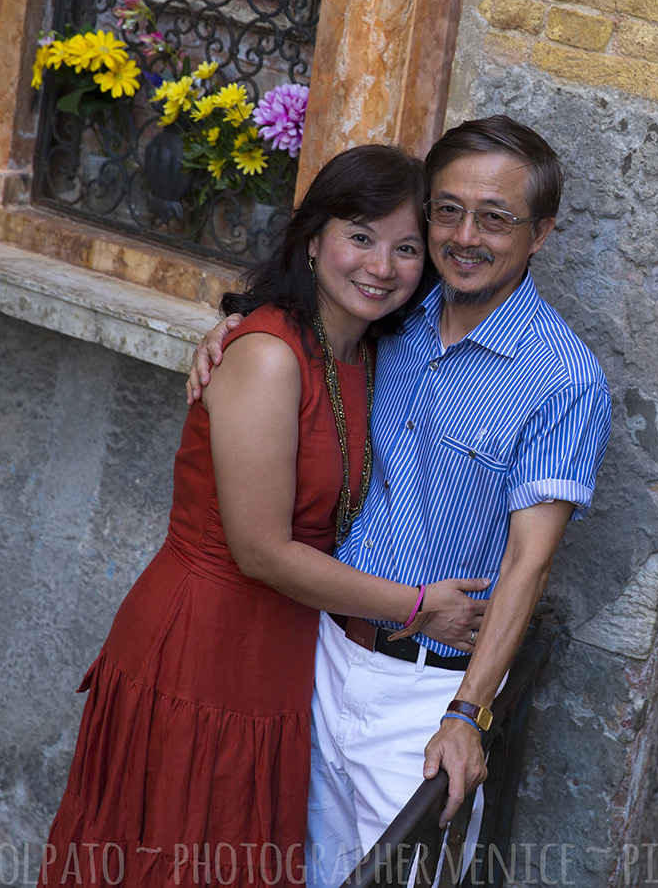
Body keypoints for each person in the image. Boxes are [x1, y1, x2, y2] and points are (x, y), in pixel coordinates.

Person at [41, 145, 491, 888]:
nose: (381, 265)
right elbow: (260, 550)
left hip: (281, 655)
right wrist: (417, 607)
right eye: (360, 235)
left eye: (407, 247)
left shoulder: (372, 350)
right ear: (313, 238)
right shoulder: (270, 355)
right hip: (202, 641)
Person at [188, 116, 611, 885]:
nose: (465, 236)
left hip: (426, 693)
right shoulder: (396, 315)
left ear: (540, 233)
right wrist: (232, 329)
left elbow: (529, 562)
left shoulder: (564, 378)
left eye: (496, 217)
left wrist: (467, 715)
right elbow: (302, 328)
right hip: (318, 659)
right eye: (447, 211)